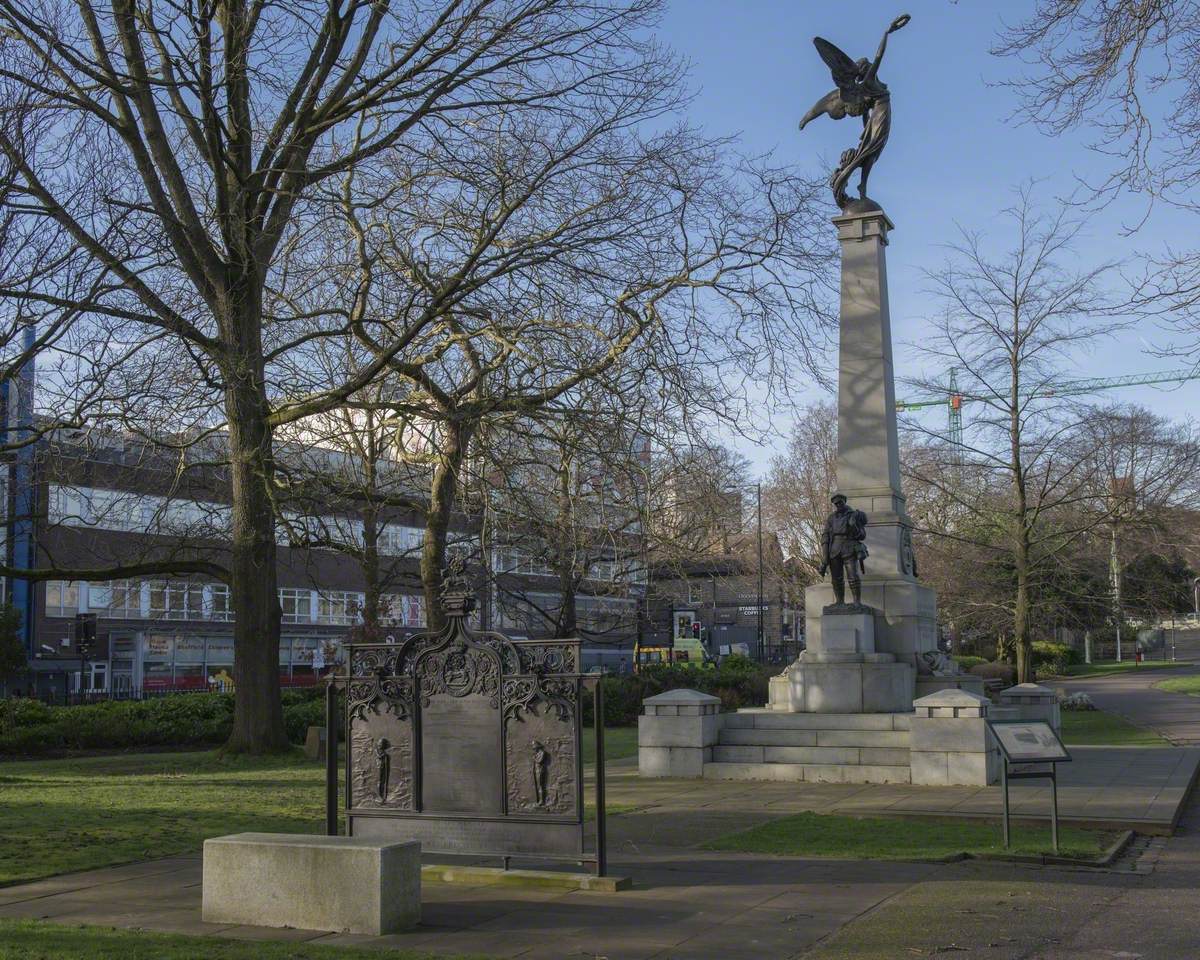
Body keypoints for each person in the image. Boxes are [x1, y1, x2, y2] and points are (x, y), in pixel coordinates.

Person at [818, 493, 869, 606]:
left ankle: (857, 602)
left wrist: (853, 525)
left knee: (853, 576)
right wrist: (824, 557)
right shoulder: (831, 518)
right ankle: (839, 601)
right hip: (834, 549)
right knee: (836, 579)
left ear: (844, 501)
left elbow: (862, 535)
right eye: (836, 504)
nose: (838, 505)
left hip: (849, 547)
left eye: (840, 502)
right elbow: (825, 535)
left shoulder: (854, 514)